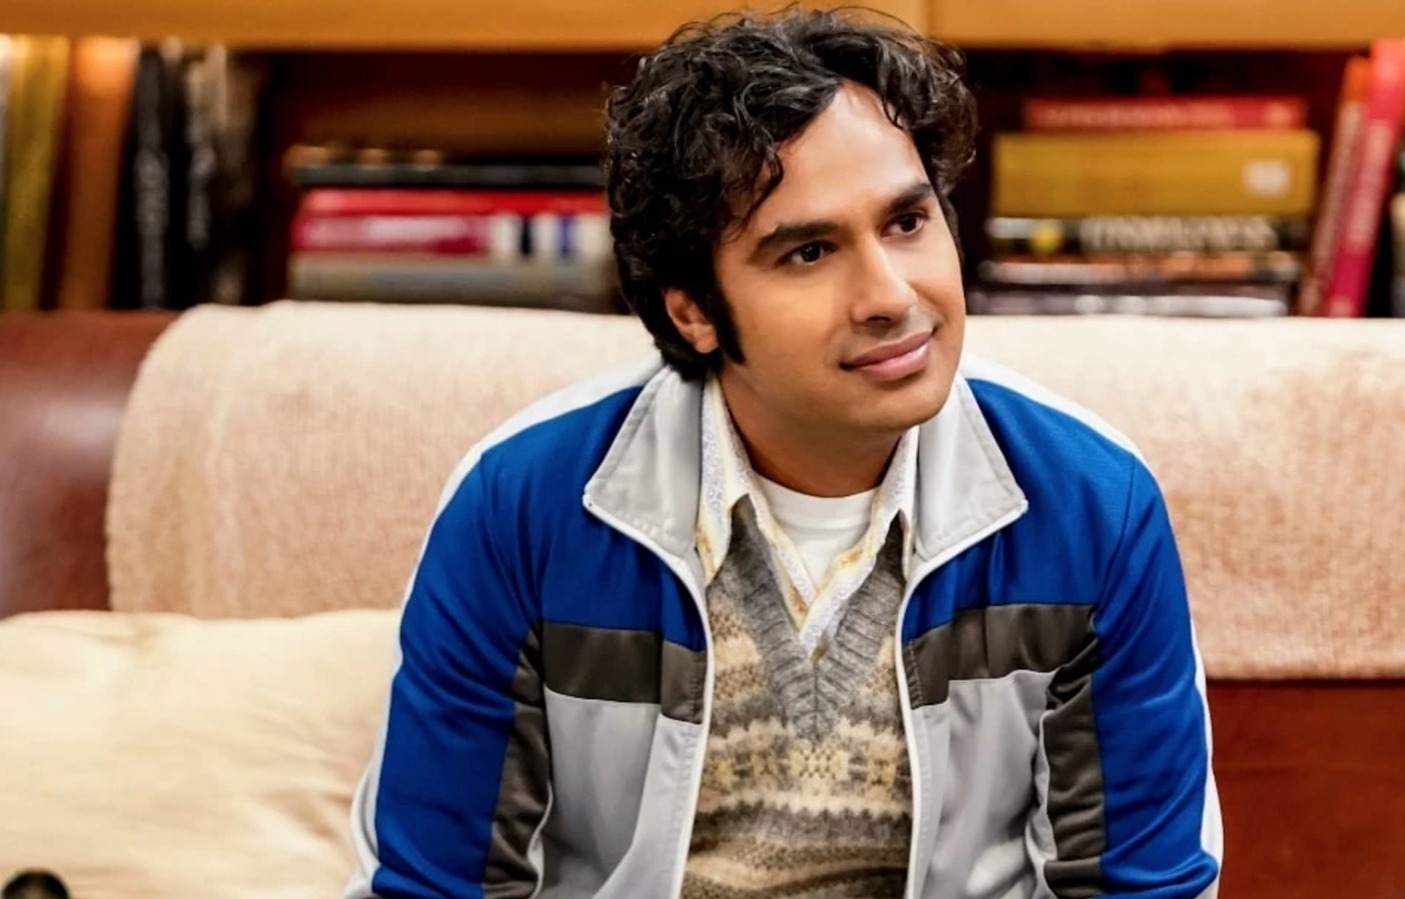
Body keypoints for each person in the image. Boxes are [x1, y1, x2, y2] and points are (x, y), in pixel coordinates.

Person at [344, 7, 1221, 898]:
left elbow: (1139, 887)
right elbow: (434, 885)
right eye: (809, 252)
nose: (891, 295)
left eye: (908, 222)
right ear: (693, 310)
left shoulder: (1093, 506)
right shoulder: (522, 508)